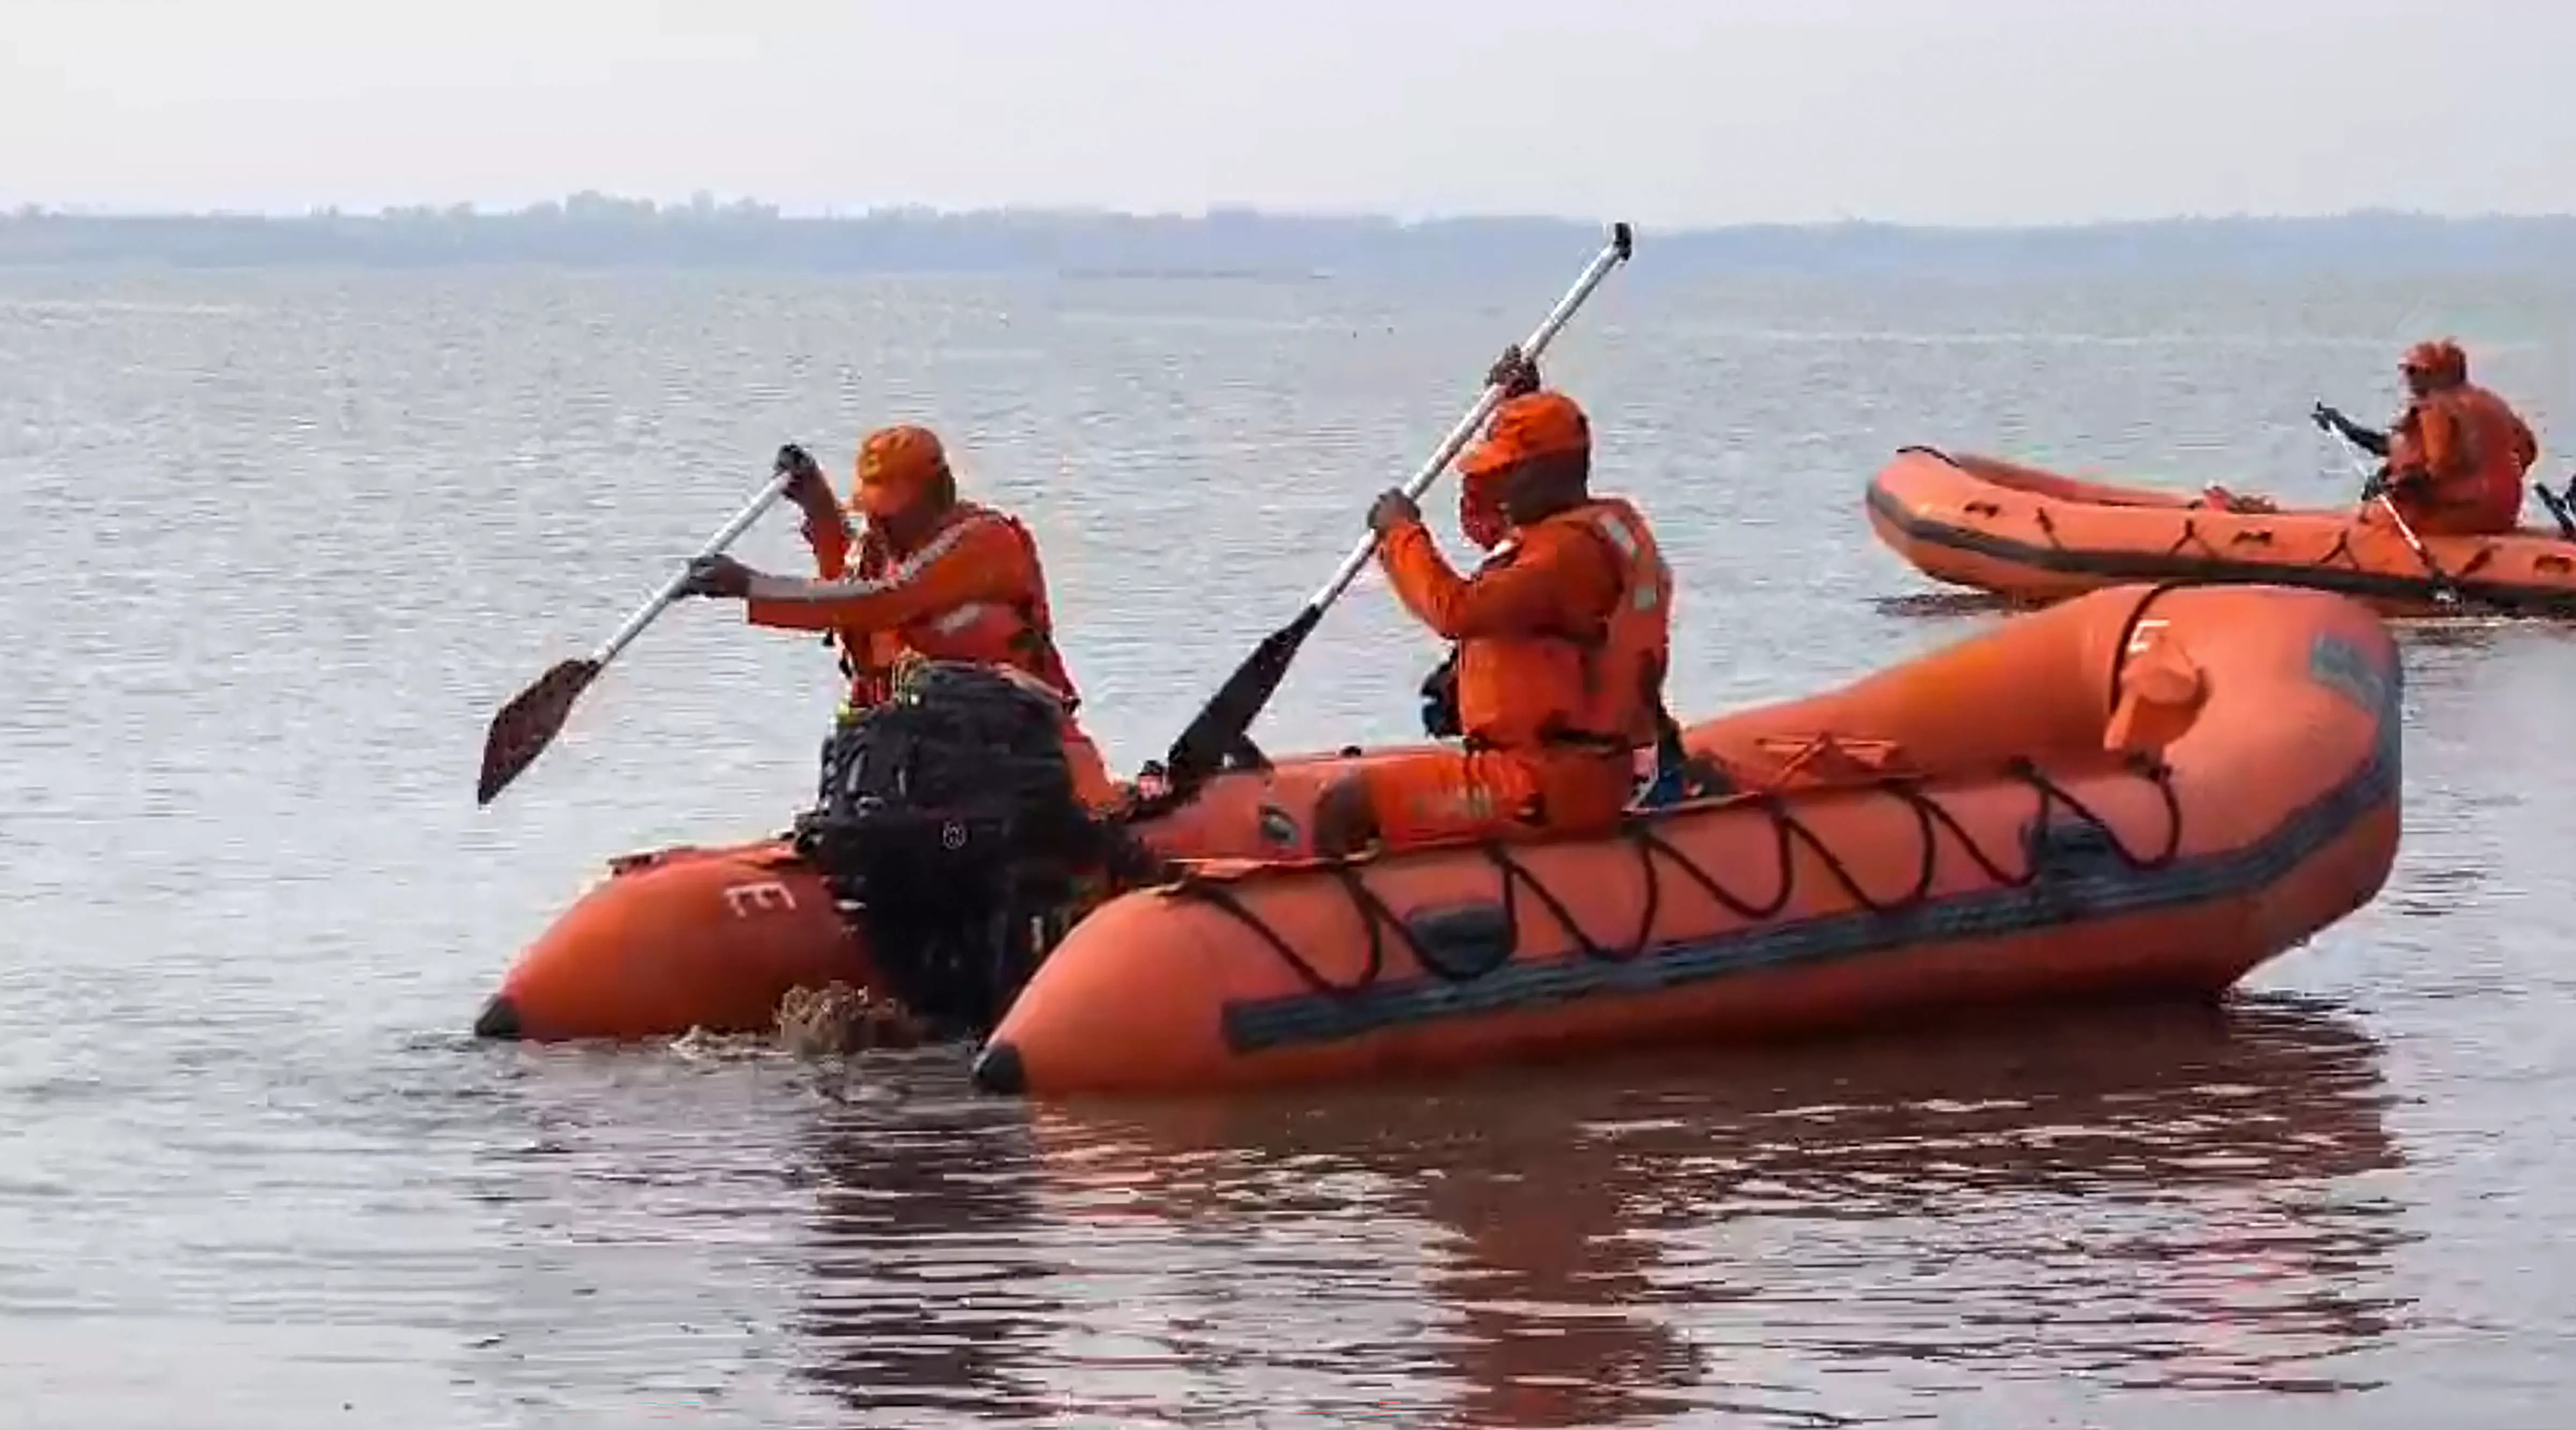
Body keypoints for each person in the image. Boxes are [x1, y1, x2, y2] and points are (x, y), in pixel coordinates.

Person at [1312, 349, 1683, 858]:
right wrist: (1518, 407)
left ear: (1545, 475)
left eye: (1507, 472)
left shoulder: (1564, 559)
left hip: (1548, 780)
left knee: (1346, 805)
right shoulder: (1593, 524)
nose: (1497, 487)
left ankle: (1347, 926)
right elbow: (1490, 527)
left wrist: (1399, 535)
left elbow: (1455, 610)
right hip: (1574, 764)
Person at [679, 426, 1119, 808]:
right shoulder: (880, 547)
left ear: (936, 494)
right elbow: (845, 593)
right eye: (876, 510)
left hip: (1011, 746)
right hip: (905, 754)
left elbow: (888, 601)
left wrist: (753, 585)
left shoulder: (983, 542)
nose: (882, 523)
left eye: (894, 510)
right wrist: (816, 503)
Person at [2312, 339, 2538, 536]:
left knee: (2370, 516)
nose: (2409, 380)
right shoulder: (2491, 402)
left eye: (2414, 372)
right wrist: (2345, 428)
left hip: (2462, 514)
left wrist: (2397, 486)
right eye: (2408, 372)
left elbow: (2437, 465)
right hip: (2505, 512)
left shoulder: (2435, 409)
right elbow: (2529, 449)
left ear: (2436, 374)